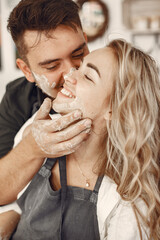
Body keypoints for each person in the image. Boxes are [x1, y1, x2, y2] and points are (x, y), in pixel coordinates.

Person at [10, 39, 160, 240]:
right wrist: (8, 217)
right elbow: (16, 201)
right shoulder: (36, 130)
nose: (69, 75)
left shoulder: (126, 200)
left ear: (114, 109)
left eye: (88, 77)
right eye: (80, 68)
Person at [0, 0, 91, 205]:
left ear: (86, 42)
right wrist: (33, 147)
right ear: (26, 70)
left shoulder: (122, 86)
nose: (71, 74)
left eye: (78, 55)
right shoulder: (17, 99)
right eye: (52, 66)